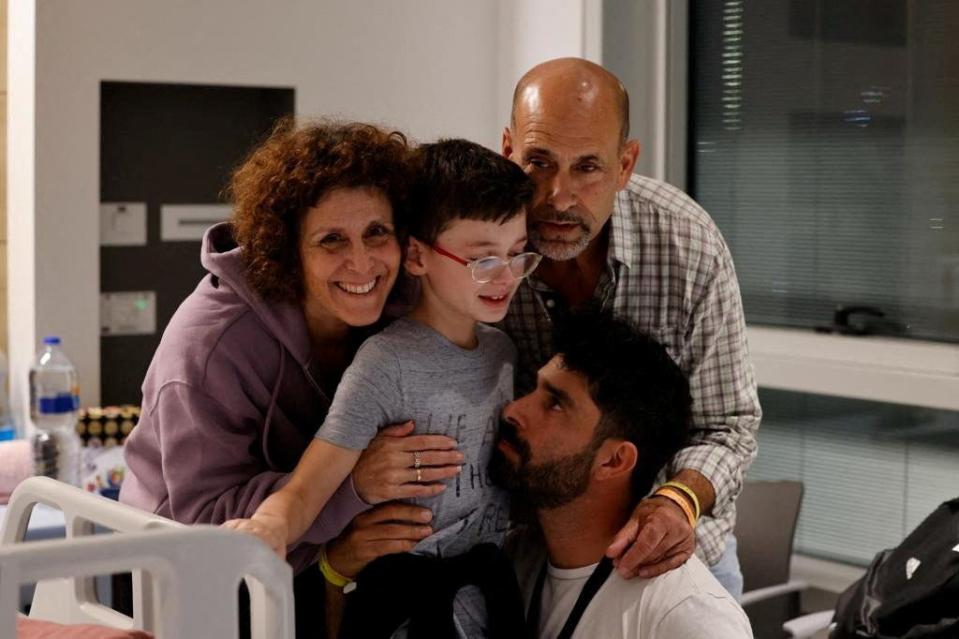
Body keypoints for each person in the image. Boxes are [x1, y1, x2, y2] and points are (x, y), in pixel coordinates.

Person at [118, 120, 465, 636]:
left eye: (377, 232)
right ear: (288, 252)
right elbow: (206, 521)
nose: (362, 261)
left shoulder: (402, 309)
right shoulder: (209, 347)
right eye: (331, 240)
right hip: (189, 575)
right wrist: (355, 484)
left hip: (319, 559)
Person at [224, 138, 540, 638]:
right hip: (406, 612)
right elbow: (309, 486)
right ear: (416, 256)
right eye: (483, 261)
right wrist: (269, 528)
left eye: (519, 256)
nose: (506, 278)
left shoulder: (503, 352)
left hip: (489, 600)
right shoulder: (385, 363)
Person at [500, 57, 761, 597]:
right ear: (507, 152)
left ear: (625, 164)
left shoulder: (686, 244)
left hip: (673, 557)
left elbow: (728, 426)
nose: (559, 196)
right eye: (539, 162)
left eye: (588, 167)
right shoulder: (474, 243)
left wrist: (676, 502)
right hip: (528, 554)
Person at [492, 311, 753, 638]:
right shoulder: (513, 563)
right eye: (533, 389)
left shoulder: (687, 614)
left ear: (614, 461)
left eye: (555, 404)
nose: (512, 411)